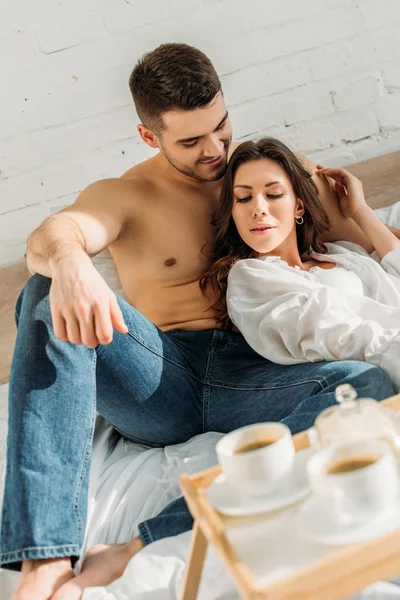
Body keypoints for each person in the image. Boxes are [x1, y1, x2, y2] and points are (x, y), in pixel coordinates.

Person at [0, 43, 397, 600]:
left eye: (221, 127)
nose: (214, 149)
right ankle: (43, 560)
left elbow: (387, 262)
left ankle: (138, 545)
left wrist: (358, 211)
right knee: (42, 293)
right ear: (150, 136)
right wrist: (70, 262)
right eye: (190, 140)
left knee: (363, 384)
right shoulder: (127, 194)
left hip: (254, 375)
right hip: (161, 376)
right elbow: (51, 237)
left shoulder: (273, 177)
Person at [202, 137, 400, 390]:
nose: (259, 208)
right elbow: (343, 339)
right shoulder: (250, 278)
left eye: (273, 194)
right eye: (243, 198)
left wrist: (360, 210)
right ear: (232, 211)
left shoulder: (339, 253)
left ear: (299, 207)